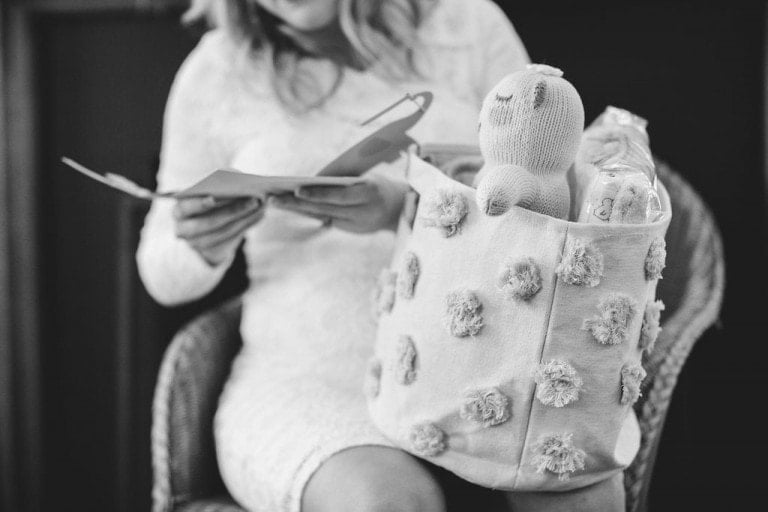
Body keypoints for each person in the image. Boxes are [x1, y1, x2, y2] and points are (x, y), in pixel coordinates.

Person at [138, 1, 622, 510]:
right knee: (386, 504)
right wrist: (201, 242)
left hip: (483, 361)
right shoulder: (216, 70)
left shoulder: (466, 24)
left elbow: (549, 193)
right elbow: (161, 273)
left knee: (581, 496)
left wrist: (407, 209)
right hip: (310, 374)